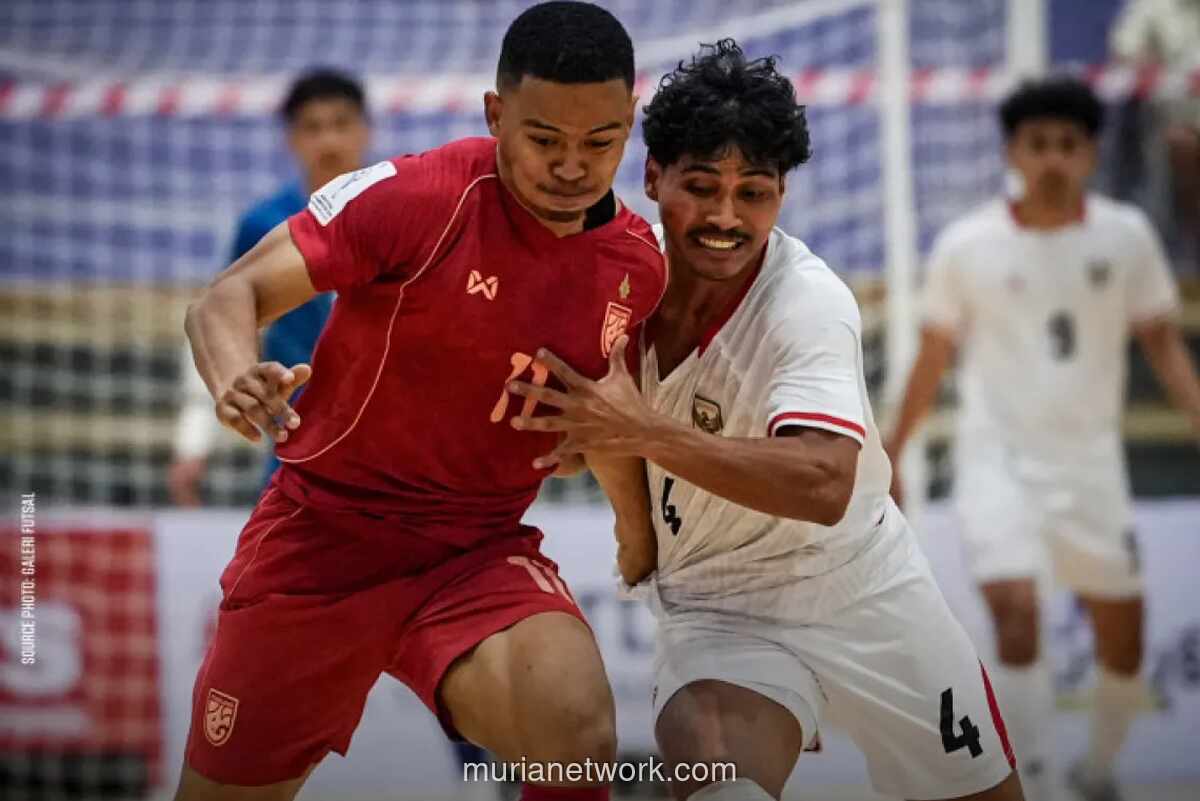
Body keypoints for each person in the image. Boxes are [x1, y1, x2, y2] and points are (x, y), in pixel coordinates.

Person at [173, 3, 667, 800]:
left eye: (601, 142)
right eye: (545, 141)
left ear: (628, 121)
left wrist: (637, 540)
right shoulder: (417, 195)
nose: (573, 166)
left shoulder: (637, 267)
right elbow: (226, 298)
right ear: (495, 114)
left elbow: (607, 421)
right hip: (321, 541)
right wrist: (236, 377)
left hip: (475, 551)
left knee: (575, 731)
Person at [508, 40, 1024, 801]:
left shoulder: (808, 303)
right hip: (716, 607)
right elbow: (595, 438)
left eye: (753, 192)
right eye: (701, 185)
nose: (724, 215)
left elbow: (822, 480)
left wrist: (643, 433)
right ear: (652, 177)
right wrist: (608, 484)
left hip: (861, 587)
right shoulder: (613, 279)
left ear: (781, 194)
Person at [884, 77, 1200, 801]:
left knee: (1125, 637)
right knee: (1017, 612)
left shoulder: (1126, 236)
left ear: (1089, 153)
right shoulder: (968, 245)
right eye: (1038, 144)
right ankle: (1039, 776)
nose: (1053, 157)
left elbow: (1163, 341)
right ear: (1013, 153)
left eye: (1069, 144)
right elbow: (932, 355)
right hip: (997, 462)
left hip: (1091, 465)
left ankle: (1099, 767)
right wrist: (892, 447)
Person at [168, 69, 367, 505]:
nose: (329, 141)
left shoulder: (402, 214)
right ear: (291, 139)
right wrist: (194, 445)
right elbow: (221, 323)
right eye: (313, 128)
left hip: (392, 437)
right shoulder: (263, 225)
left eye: (341, 124)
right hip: (301, 437)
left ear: (365, 130)